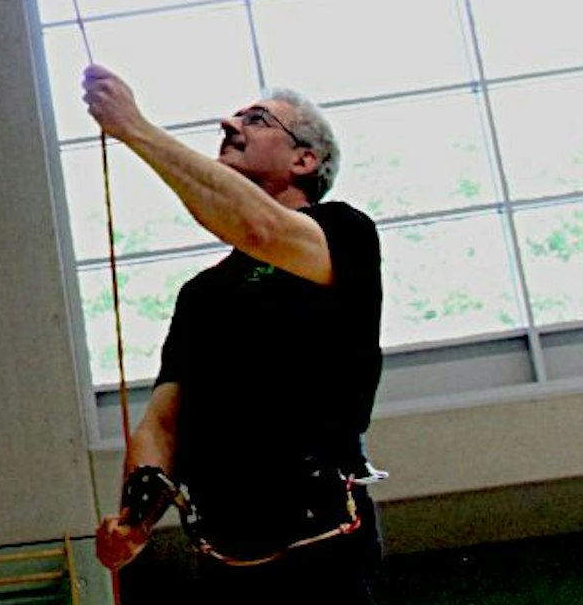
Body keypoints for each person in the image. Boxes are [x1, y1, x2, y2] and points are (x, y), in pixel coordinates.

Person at [83, 67, 383, 602]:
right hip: (226, 564)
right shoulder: (201, 294)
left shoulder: (344, 231)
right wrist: (135, 519)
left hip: (322, 553)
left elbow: (258, 227)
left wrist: (135, 128)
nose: (229, 123)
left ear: (304, 160)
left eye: (257, 119)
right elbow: (164, 424)